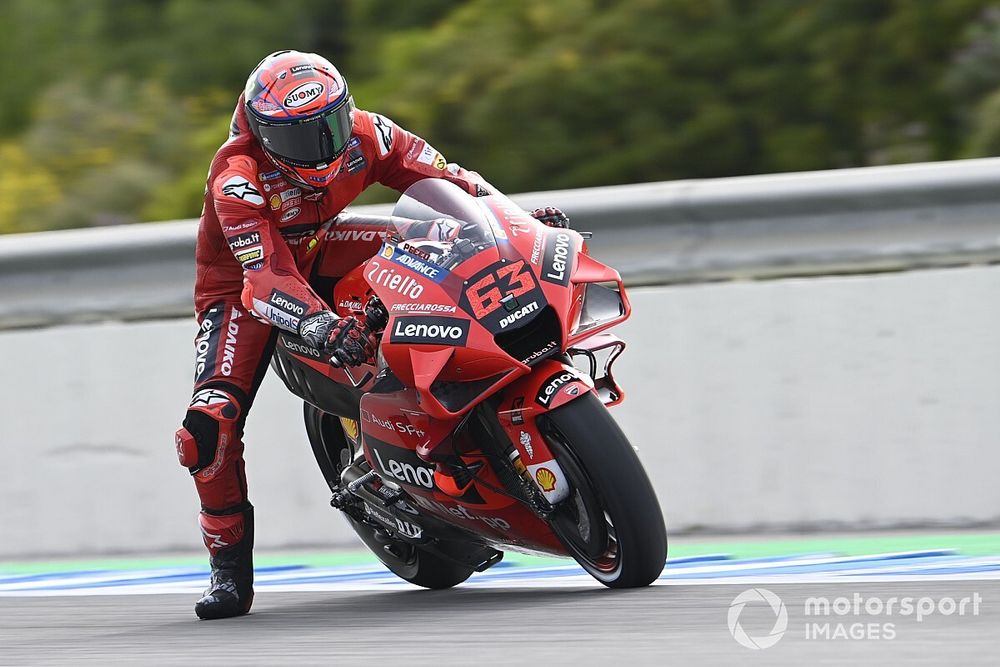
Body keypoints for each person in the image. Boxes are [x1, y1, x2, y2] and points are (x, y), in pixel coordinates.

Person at [174, 50, 569, 620]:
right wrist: (319, 325)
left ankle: (460, 409)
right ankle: (229, 570)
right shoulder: (237, 179)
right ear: (260, 134)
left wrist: (519, 225)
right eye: (300, 138)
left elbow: (450, 181)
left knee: (443, 236)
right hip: (244, 290)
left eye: (329, 125)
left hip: (323, 245)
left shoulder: (368, 132)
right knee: (205, 428)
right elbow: (265, 279)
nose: (323, 148)